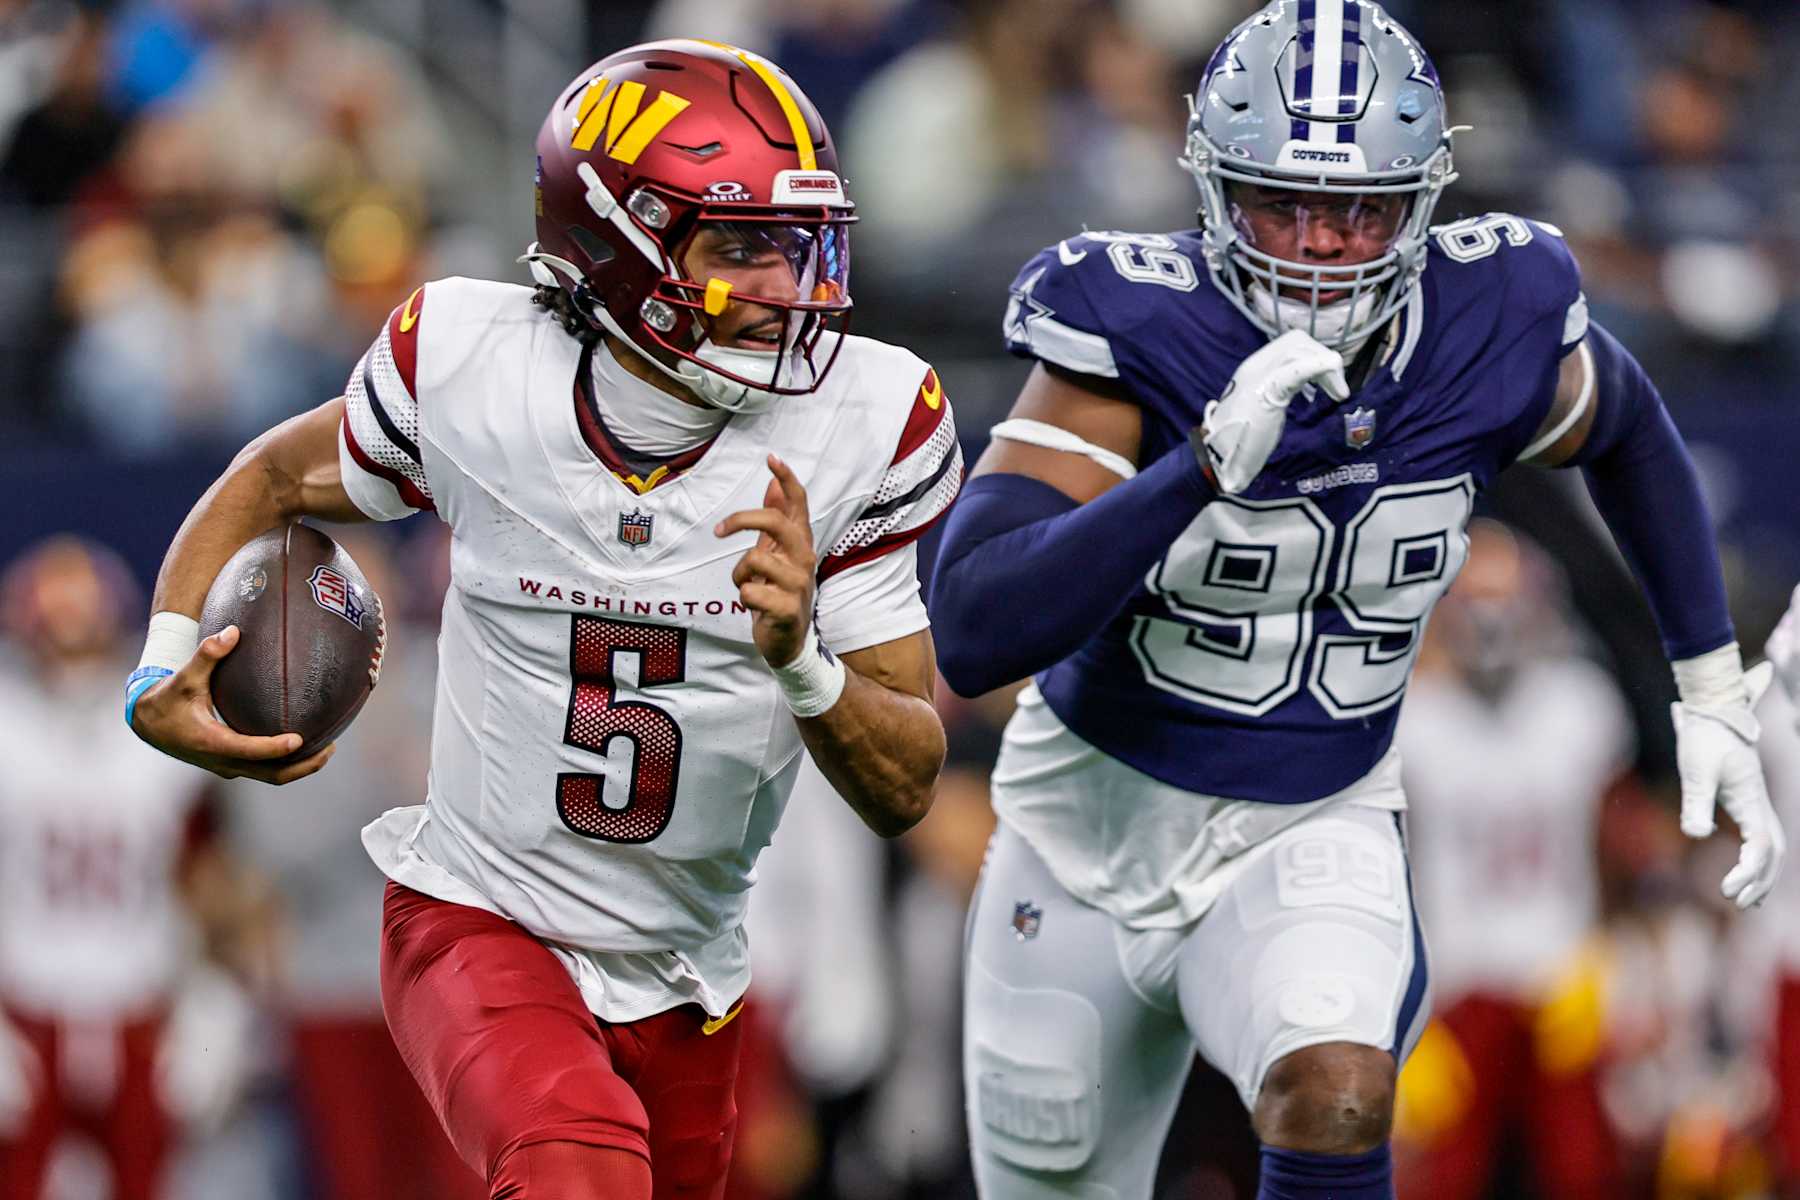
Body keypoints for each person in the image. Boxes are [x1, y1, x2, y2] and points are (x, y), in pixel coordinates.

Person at [927, 3, 1783, 1198]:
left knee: (1337, 1090)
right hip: (1085, 836)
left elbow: (1629, 428)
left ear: (1421, 204)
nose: (1319, 245)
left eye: (1360, 210)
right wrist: (1195, 470)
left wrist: (1707, 684)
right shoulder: (1136, 327)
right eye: (1281, 203)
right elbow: (974, 628)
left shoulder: (1485, 321)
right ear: (1216, 191)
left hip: (1313, 817)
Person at [124, 39, 959, 1200]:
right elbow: (268, 476)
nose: (785, 282)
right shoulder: (475, 365)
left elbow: (905, 783)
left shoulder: (867, 419)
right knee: (576, 1169)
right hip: (479, 916)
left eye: (795, 241)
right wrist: (162, 662)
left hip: (687, 972)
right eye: (739, 245)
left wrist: (802, 661)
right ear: (617, 244)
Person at [0, 536, 258, 1200]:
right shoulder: (9, 725)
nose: (71, 653)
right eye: (54, 630)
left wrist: (219, 994)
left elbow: (215, 880)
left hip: (142, 1008)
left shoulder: (162, 733)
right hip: (25, 1009)